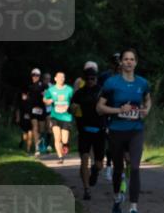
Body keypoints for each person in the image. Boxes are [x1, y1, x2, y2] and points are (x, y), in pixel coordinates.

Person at [97, 48, 151, 213]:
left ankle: (133, 209)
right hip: (117, 130)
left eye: (131, 59)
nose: (128, 62)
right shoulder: (112, 83)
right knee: (118, 169)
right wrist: (119, 110)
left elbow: (147, 100)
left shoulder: (142, 83)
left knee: (135, 168)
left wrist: (145, 111)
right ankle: (117, 197)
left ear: (136, 62)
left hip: (136, 129)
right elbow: (100, 107)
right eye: (125, 59)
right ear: (121, 62)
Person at [70, 66, 104, 200]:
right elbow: (71, 108)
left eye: (93, 78)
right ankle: (86, 189)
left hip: (99, 131)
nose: (90, 81)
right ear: (84, 79)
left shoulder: (102, 92)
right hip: (84, 131)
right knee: (84, 159)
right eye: (88, 79)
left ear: (96, 79)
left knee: (99, 164)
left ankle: (95, 171)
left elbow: (109, 107)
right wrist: (72, 108)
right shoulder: (79, 93)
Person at [98, 53, 121, 181]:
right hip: (107, 111)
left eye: (119, 62)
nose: (118, 65)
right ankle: (107, 165)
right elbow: (99, 92)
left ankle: (118, 168)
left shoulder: (126, 76)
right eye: (115, 62)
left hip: (121, 111)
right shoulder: (104, 76)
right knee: (108, 140)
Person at [43, 71, 74, 163]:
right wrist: (47, 101)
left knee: (64, 139)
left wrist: (72, 106)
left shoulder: (69, 89)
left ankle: (66, 145)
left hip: (66, 117)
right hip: (55, 116)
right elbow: (45, 99)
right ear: (55, 79)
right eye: (59, 77)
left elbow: (74, 100)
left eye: (63, 77)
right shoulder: (51, 89)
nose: (61, 79)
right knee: (57, 138)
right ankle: (60, 157)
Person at [25, 68, 47, 157]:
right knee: (34, 127)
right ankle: (37, 148)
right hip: (32, 109)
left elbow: (47, 96)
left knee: (41, 129)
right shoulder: (29, 85)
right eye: (33, 75)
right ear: (31, 76)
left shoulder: (43, 86)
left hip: (41, 109)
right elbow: (26, 98)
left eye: (37, 75)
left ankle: (41, 142)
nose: (35, 77)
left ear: (39, 76)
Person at [14, 82, 33, 153]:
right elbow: (18, 110)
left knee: (30, 135)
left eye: (25, 95)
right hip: (23, 120)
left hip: (30, 120)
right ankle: (22, 142)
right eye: (23, 94)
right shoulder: (20, 102)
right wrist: (17, 118)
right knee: (25, 136)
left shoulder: (31, 101)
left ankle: (28, 150)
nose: (23, 96)